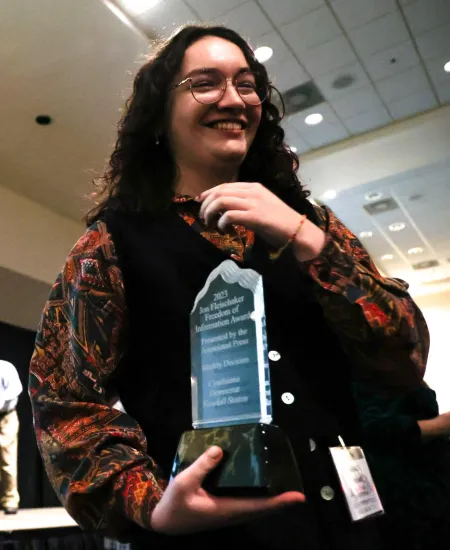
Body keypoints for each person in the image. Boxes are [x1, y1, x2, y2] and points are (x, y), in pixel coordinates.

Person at [29, 24, 429, 549]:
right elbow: (63, 400)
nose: (233, 99)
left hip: (349, 526)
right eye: (204, 82)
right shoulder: (108, 246)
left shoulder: (314, 225)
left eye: (246, 83)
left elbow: (402, 358)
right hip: (208, 538)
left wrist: (307, 240)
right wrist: (150, 503)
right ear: (159, 115)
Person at [353, 380, 450, 549]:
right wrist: (439, 425)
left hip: (431, 490)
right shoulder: (366, 377)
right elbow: (372, 430)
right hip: (406, 495)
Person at [0, 359, 22, 514]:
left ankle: (10, 500)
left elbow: (14, 390)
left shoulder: (6, 367)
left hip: (6, 417)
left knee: (7, 459)